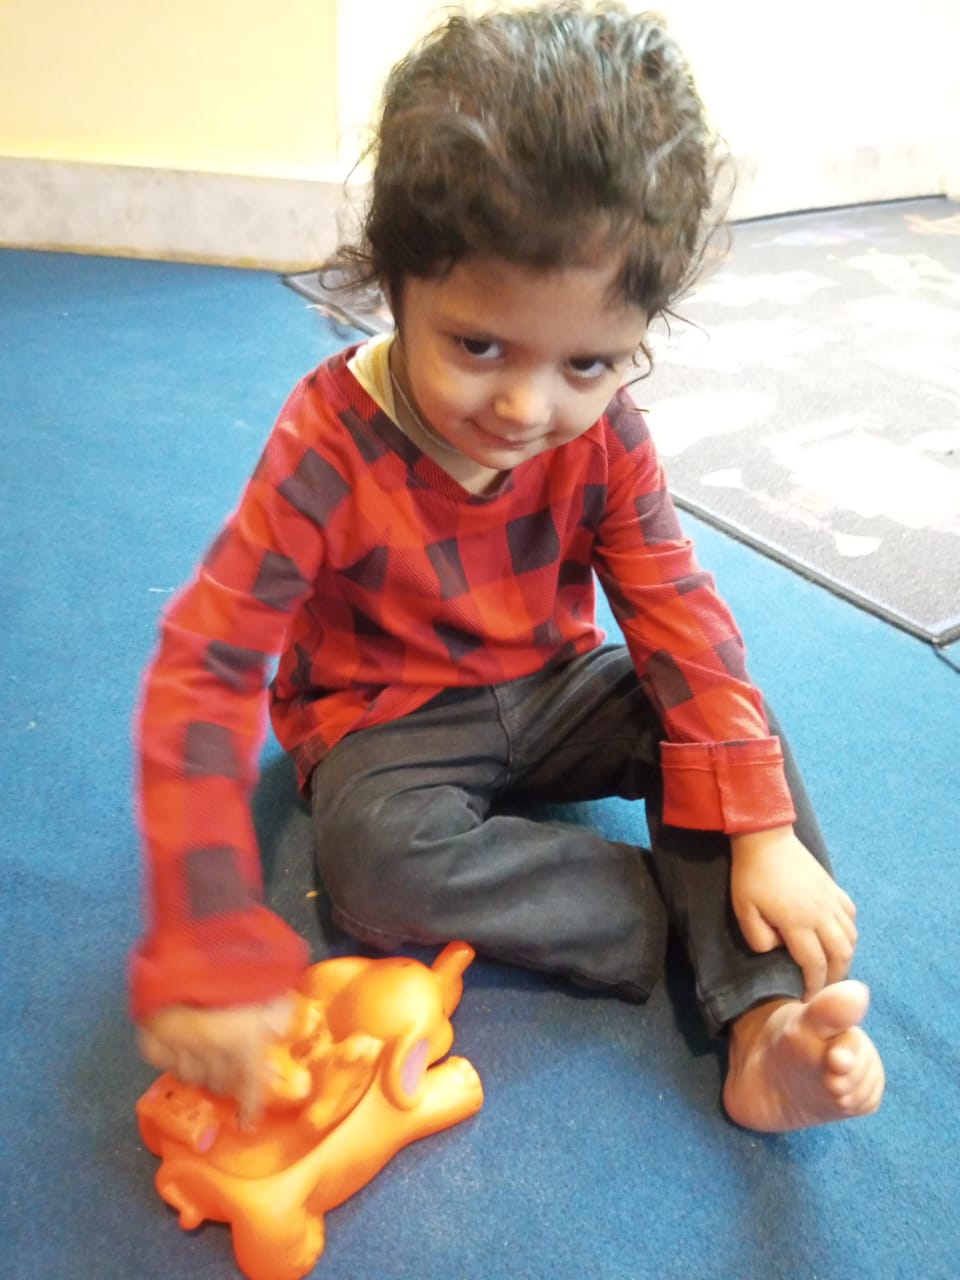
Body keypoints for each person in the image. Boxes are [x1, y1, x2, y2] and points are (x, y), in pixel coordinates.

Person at [133, 1, 884, 1135]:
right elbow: (206, 665)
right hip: (386, 720)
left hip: (553, 684)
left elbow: (675, 610)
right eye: (478, 345)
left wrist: (764, 834)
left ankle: (764, 1027)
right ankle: (687, 912)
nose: (528, 408)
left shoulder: (608, 432)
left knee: (732, 727)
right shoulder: (325, 446)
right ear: (395, 283)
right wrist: (203, 925)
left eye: (588, 361)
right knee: (372, 865)